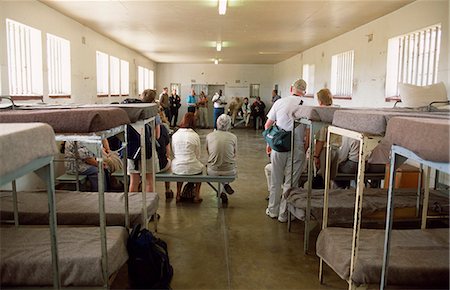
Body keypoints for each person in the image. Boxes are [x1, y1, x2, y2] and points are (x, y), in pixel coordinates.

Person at [264, 79, 307, 223]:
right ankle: (284, 214)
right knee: (291, 182)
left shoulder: (279, 102)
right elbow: (308, 133)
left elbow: (267, 125)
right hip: (298, 147)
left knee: (276, 179)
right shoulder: (307, 106)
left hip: (279, 145)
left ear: (291, 89)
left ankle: (272, 210)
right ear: (304, 92)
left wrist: (269, 143)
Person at [127, 89, 161, 193]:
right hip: (148, 149)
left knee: (134, 181)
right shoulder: (154, 113)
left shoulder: (132, 111)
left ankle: (132, 207)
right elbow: (157, 135)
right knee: (149, 181)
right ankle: (149, 208)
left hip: (132, 149)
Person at [171, 112, 203, 203]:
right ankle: (197, 195)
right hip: (193, 167)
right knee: (200, 169)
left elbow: (174, 151)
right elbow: (198, 154)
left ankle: (178, 194)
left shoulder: (175, 135)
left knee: (179, 169)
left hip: (178, 167)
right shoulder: (195, 135)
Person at [206, 114, 237, 203]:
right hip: (229, 171)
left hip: (213, 170)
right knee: (228, 163)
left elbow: (208, 152)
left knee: (215, 163)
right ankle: (224, 186)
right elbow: (234, 154)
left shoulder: (209, 135)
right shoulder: (233, 137)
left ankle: (220, 191)